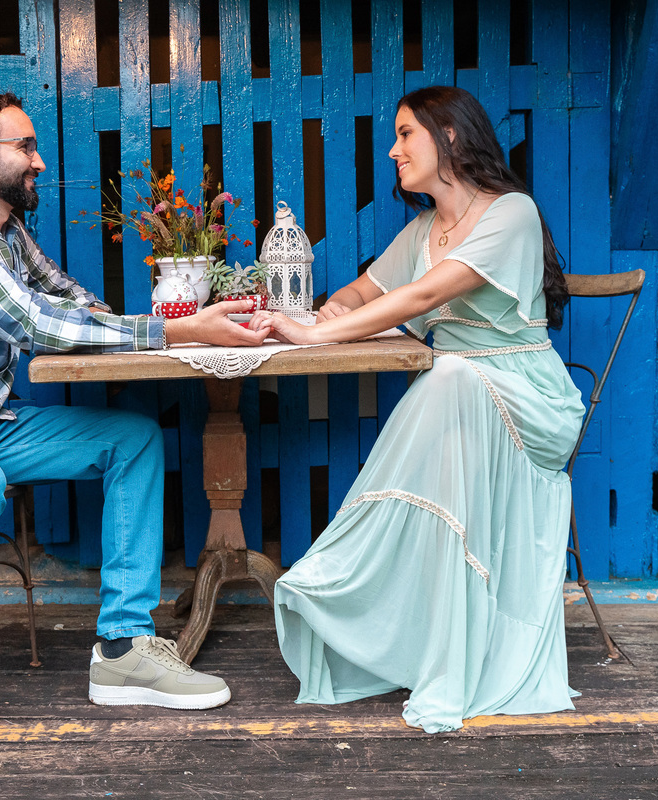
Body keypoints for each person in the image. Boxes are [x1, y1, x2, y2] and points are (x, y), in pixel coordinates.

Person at [0, 92, 266, 763]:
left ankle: (122, 649)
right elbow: (31, 323)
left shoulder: (4, 231)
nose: (38, 161)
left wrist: (154, 319)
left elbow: (63, 297)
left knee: (134, 440)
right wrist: (175, 330)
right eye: (25, 147)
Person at [251, 86, 585, 733]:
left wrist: (317, 336)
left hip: (527, 400)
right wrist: (322, 314)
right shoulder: (421, 232)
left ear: (451, 136)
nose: (392, 149)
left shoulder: (510, 213)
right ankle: (376, 604)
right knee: (450, 376)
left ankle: (353, 576)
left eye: (406, 134)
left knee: (450, 372)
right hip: (458, 402)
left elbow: (426, 294)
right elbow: (361, 291)